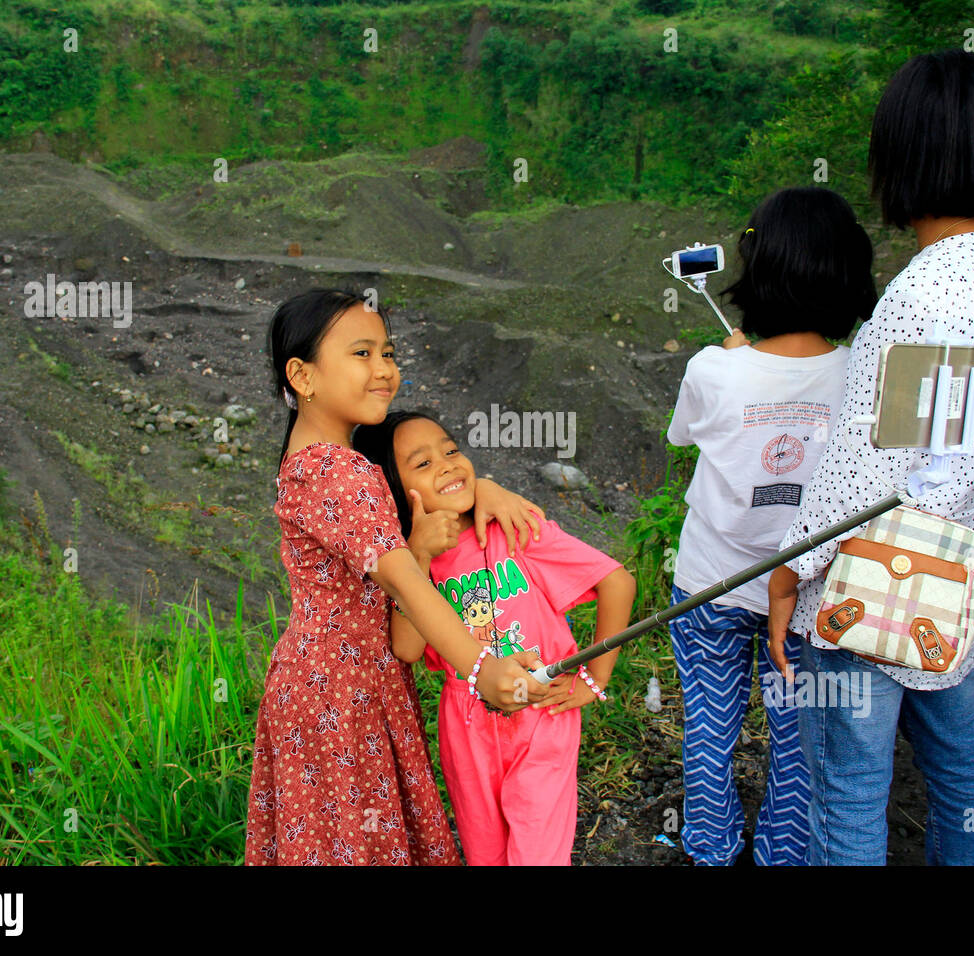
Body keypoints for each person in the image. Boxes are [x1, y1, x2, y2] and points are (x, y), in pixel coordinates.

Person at [766, 50, 974, 866]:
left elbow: (876, 468)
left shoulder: (930, 288)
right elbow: (961, 446)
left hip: (876, 587)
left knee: (852, 796)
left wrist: (792, 569)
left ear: (908, 152)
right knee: (961, 763)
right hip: (964, 577)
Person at [244, 288, 550, 866]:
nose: (385, 369)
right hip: (341, 694)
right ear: (302, 375)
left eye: (388, 352)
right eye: (362, 354)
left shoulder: (317, 458)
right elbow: (408, 582)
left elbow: (421, 502)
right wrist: (481, 669)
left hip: (340, 685)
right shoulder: (338, 472)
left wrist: (484, 487)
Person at [665, 187, 876, 866]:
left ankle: (710, 847)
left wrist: (736, 363)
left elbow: (682, 436)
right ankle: (785, 854)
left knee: (709, 726)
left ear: (757, 271)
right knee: (797, 736)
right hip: (810, 588)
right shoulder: (862, 374)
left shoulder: (712, 369)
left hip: (710, 585)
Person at [353, 411, 637, 865]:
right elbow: (406, 648)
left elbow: (616, 581)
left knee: (537, 855)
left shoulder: (514, 529)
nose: (447, 465)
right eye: (422, 464)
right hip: (466, 727)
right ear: (392, 491)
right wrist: (419, 553)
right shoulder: (405, 562)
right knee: (486, 852)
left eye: (450, 450)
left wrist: (595, 677)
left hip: (541, 713)